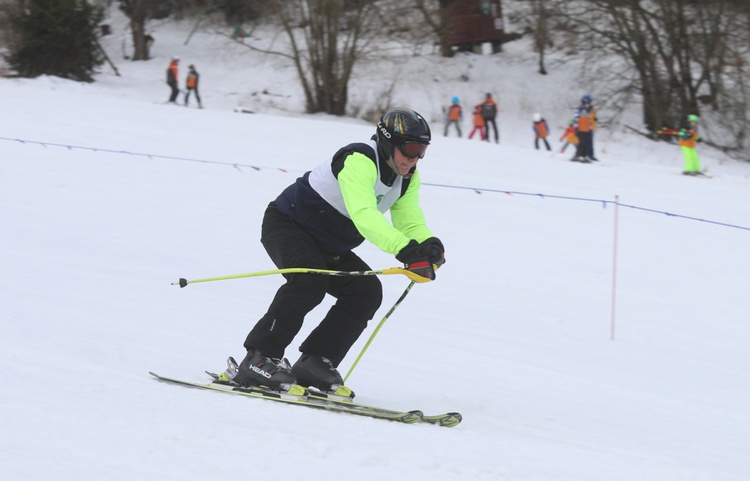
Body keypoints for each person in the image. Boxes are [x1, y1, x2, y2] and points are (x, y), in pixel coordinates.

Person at [232, 107, 445, 395]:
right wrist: (405, 250)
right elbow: (364, 214)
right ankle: (258, 358)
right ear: (387, 141)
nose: (415, 158)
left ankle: (315, 362)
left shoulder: (407, 176)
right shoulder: (359, 160)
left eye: (422, 151)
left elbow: (409, 220)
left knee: (366, 290)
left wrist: (428, 245)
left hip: (330, 244)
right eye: (410, 149)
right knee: (308, 280)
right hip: (289, 225)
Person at [572, 94, 595, 162]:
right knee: (581, 143)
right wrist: (576, 128)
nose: (589, 104)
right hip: (580, 129)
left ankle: (584, 156)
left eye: (589, 103)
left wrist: (591, 128)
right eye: (588, 103)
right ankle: (578, 155)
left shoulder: (590, 110)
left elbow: (591, 120)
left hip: (587, 129)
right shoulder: (580, 110)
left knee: (586, 143)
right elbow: (575, 119)